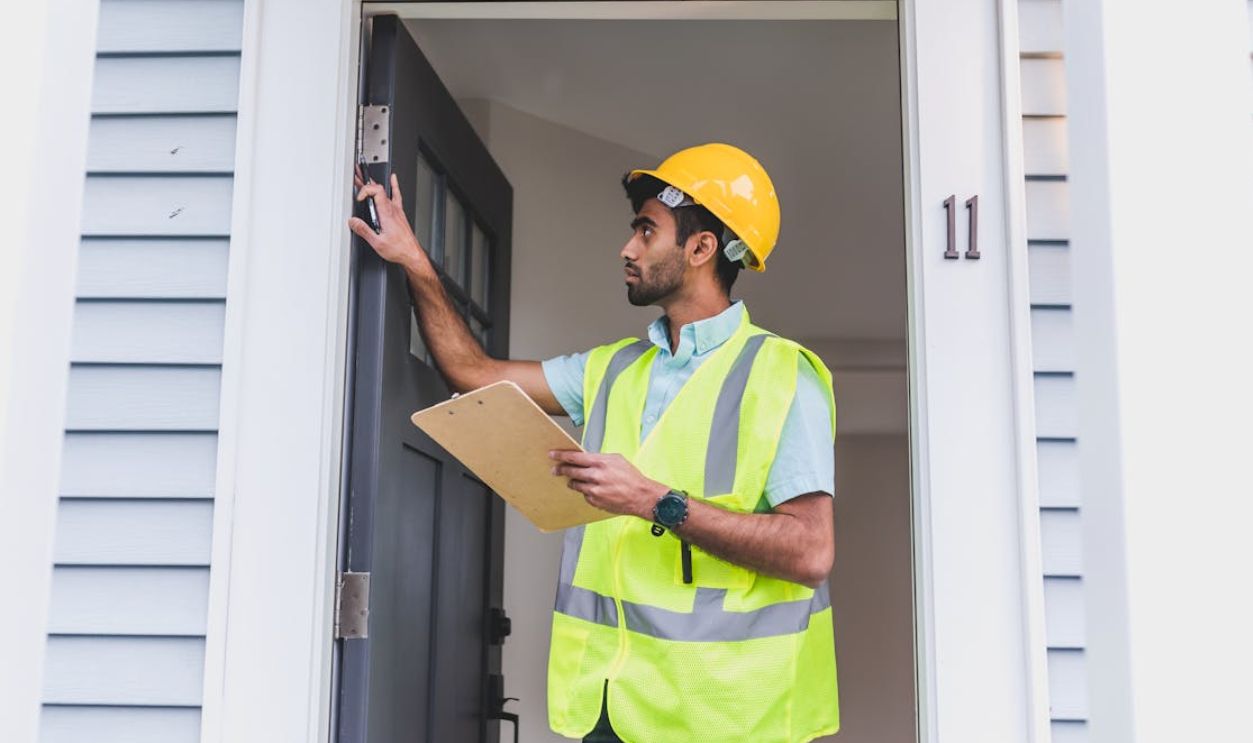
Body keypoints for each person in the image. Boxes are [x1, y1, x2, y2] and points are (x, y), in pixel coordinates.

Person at [348, 143, 839, 743]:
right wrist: (414, 260)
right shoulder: (612, 369)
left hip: (729, 716)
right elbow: (473, 374)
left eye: (646, 231)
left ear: (702, 247)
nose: (627, 249)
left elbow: (811, 552)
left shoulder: (785, 375)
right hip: (611, 709)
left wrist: (655, 501)